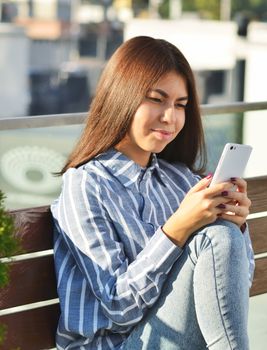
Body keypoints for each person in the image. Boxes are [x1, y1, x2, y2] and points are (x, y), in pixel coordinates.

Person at [51, 36, 254, 350]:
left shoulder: (183, 180)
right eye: (156, 99)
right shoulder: (86, 184)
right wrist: (177, 229)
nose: (170, 117)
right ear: (122, 97)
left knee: (223, 235)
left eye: (180, 105)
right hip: (116, 344)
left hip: (179, 339)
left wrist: (238, 227)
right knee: (216, 237)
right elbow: (119, 308)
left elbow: (233, 295)